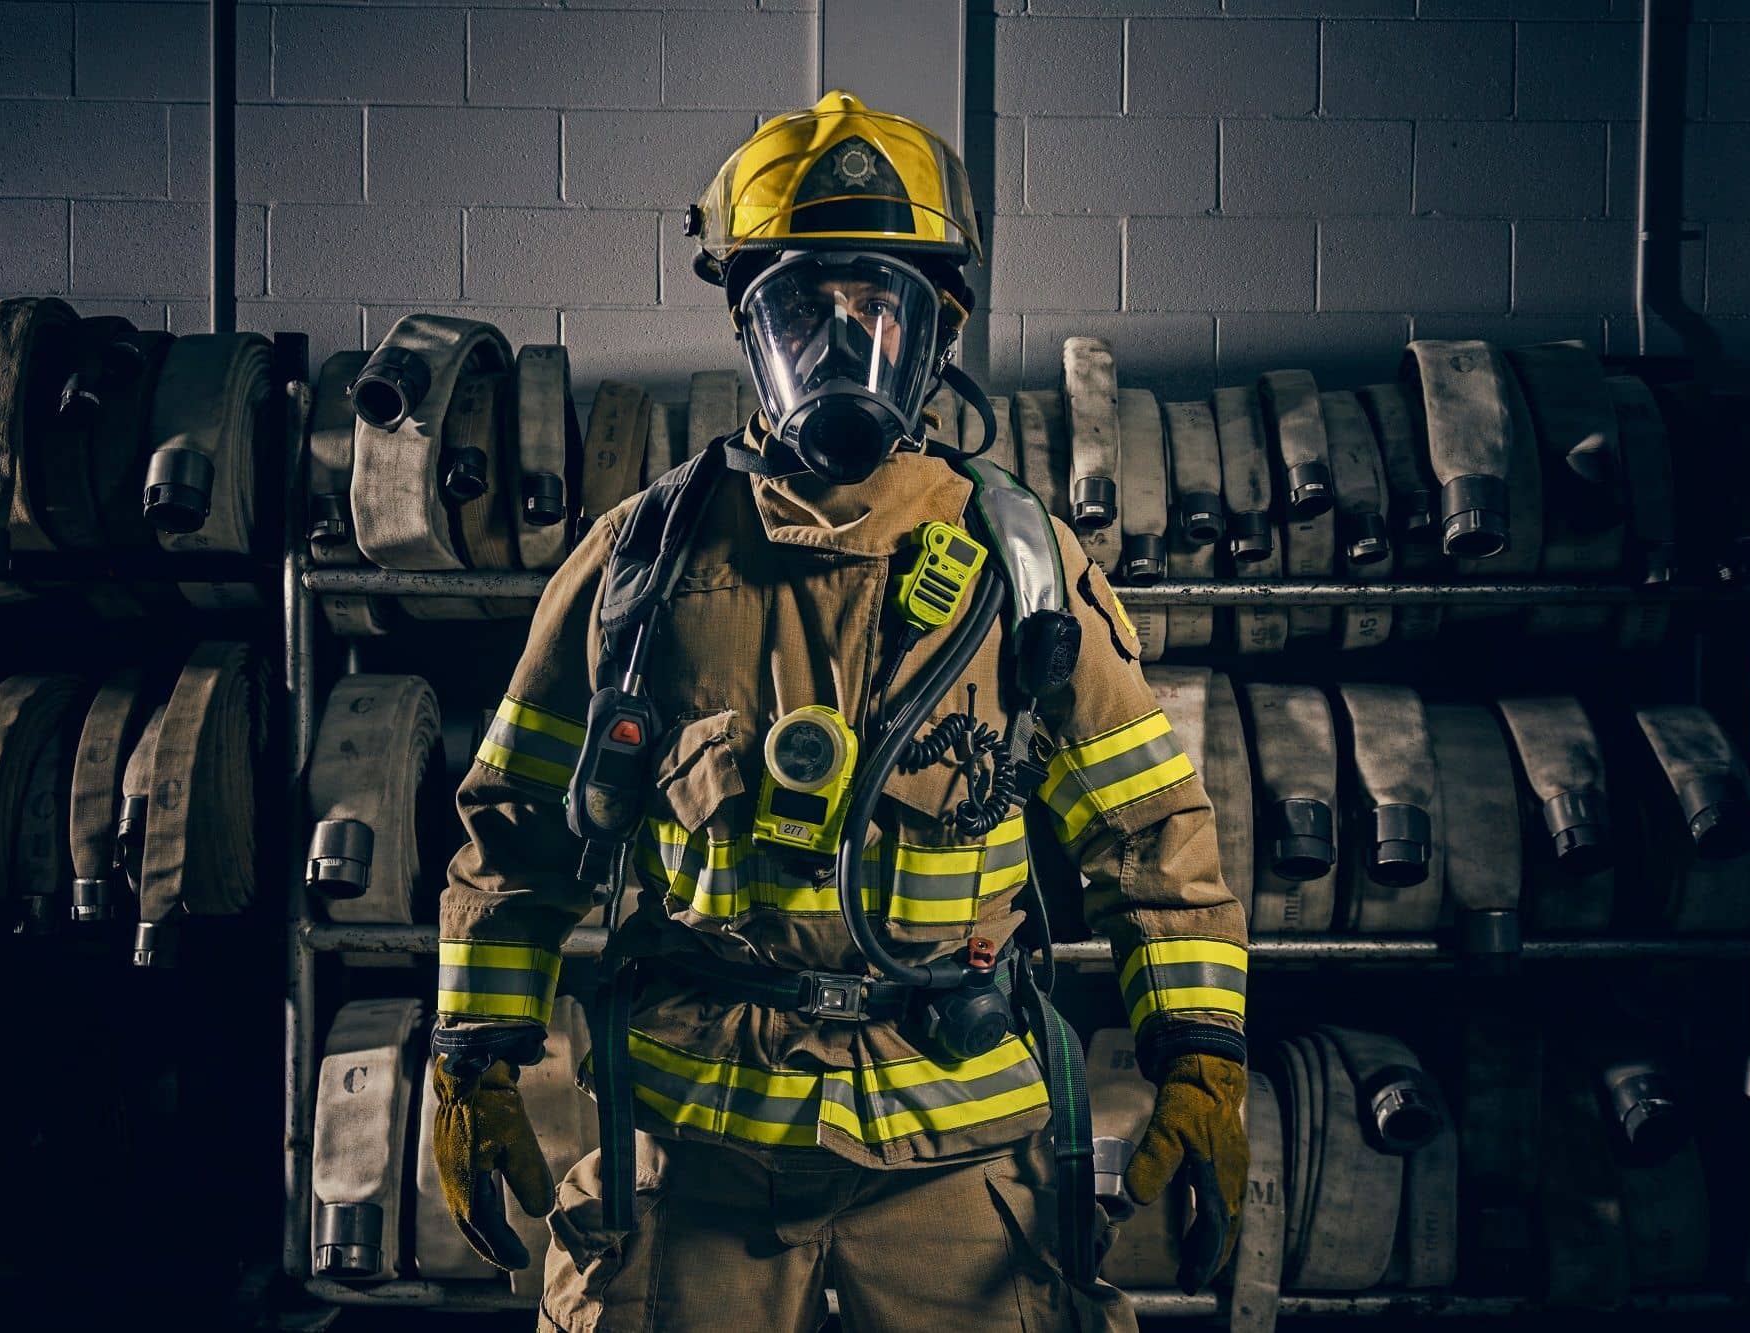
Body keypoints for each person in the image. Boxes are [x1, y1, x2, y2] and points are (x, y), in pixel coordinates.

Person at [429, 91, 1249, 1333]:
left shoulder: (1018, 565)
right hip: (697, 1142)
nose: (839, 340)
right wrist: (477, 1054)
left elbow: (1151, 835)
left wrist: (1199, 1055)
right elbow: (515, 831)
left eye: (876, 304)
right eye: (801, 307)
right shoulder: (640, 567)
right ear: (749, 326)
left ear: (937, 327)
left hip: (955, 1145)